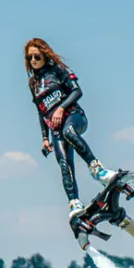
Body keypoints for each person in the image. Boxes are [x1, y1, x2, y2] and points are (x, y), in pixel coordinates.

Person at [24, 37, 117, 221]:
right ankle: (74, 202)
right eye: (29, 58)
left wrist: (60, 108)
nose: (33, 60)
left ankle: (97, 169)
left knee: (68, 133)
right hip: (55, 128)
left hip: (74, 117)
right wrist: (45, 139)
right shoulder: (33, 84)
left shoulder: (58, 70)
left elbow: (77, 91)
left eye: (36, 56)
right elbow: (40, 112)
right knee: (63, 162)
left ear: (44, 54)